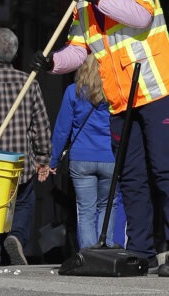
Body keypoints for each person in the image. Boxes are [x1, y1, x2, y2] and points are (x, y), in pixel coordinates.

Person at [33, 0, 169, 276]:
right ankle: (142, 251)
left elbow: (142, 14)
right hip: (120, 99)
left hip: (158, 89)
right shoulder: (81, 4)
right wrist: (52, 63)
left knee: (166, 170)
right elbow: (79, 51)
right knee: (131, 177)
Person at [0, 26, 51, 265]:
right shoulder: (29, 83)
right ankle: (16, 236)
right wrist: (43, 159)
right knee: (24, 201)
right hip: (20, 162)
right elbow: (41, 124)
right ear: (15, 55)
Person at [44, 54, 121, 249]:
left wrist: (53, 161)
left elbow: (62, 130)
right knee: (108, 205)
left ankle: (87, 255)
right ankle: (105, 247)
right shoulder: (114, 92)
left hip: (81, 159)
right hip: (110, 157)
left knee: (86, 210)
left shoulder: (73, 92)